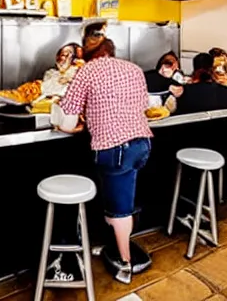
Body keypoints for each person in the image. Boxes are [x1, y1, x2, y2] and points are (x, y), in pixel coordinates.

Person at [56, 22, 152, 284]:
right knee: (118, 200)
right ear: (112, 50)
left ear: (87, 55)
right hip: (142, 144)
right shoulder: (133, 69)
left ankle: (125, 263)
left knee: (120, 209)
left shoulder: (87, 71)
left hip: (114, 148)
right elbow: (141, 106)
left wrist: (69, 122)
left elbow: (67, 120)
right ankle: (113, 242)